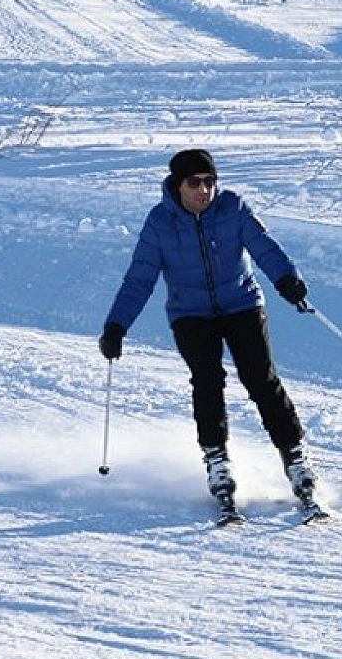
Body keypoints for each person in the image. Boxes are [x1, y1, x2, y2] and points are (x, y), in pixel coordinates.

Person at [99, 149, 319, 520]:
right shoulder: (160, 223)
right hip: (191, 313)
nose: (204, 190)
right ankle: (217, 460)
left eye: (209, 181)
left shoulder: (232, 208)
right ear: (178, 185)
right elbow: (140, 279)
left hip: (242, 304)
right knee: (207, 379)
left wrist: (286, 279)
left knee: (260, 378)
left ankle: (294, 457)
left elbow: (264, 247)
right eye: (194, 182)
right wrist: (117, 325)